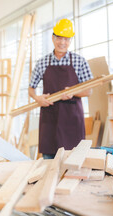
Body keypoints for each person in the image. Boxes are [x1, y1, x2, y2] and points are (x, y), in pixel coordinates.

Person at [28, 19, 93, 160]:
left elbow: (89, 90)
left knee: (74, 164)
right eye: (59, 38)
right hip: (49, 120)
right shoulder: (42, 62)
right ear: (53, 38)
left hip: (72, 122)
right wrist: (37, 98)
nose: (62, 42)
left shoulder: (79, 61)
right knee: (49, 164)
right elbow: (31, 88)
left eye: (66, 39)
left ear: (70, 40)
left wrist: (73, 92)